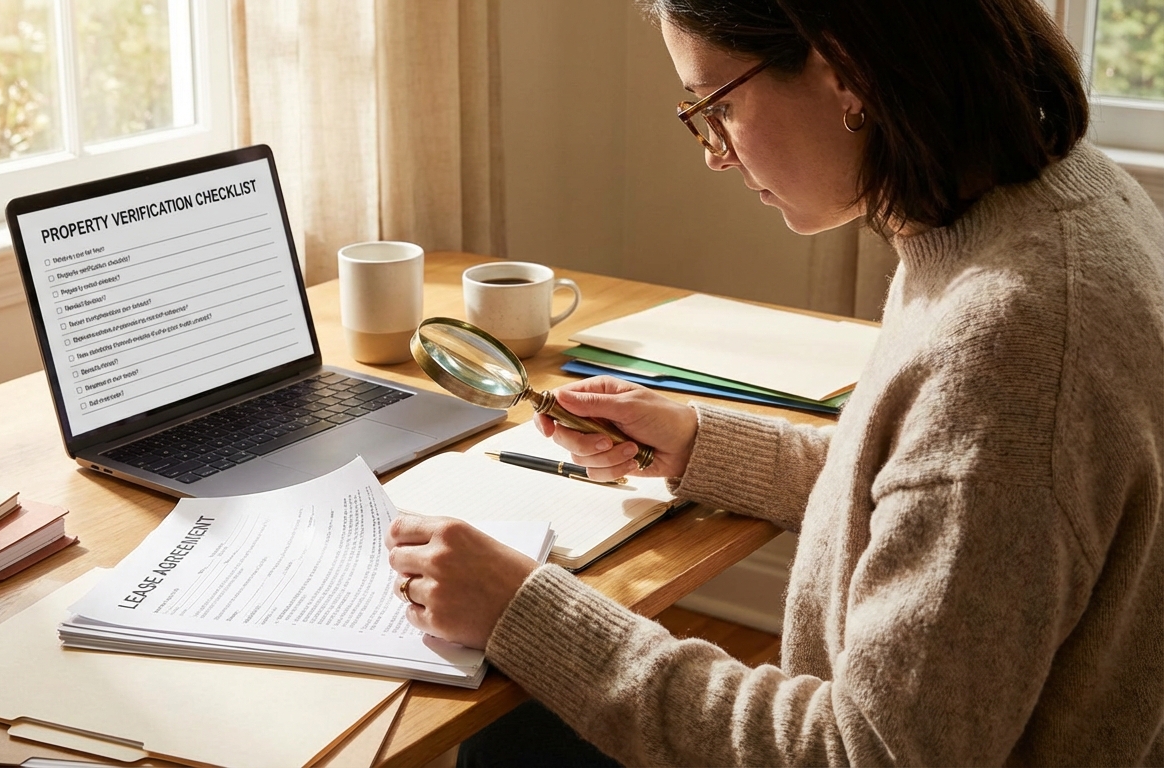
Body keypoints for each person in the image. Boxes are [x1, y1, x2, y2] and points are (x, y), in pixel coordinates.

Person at [384, 0, 1164, 765]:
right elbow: (946, 493)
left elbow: (868, 753)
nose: (713, 151)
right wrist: (703, 445)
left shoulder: (1009, 338)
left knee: (499, 726)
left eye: (715, 104)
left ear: (845, 70)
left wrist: (529, 614)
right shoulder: (1046, 201)